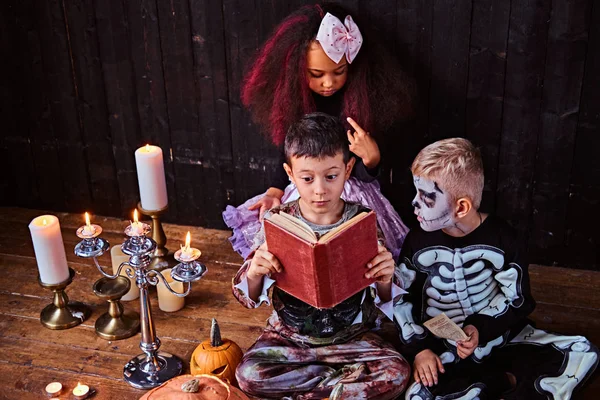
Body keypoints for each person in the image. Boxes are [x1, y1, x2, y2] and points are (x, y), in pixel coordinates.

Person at [394, 138, 599, 399]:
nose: (414, 204)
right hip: (440, 346)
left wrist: (481, 328)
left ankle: (508, 387)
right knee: (419, 394)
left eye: (426, 197)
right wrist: (420, 350)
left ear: (461, 207)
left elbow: (519, 299)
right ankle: (487, 385)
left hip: (498, 337)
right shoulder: (417, 240)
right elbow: (401, 299)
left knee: (583, 351)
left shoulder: (503, 238)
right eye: (416, 193)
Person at [232, 113, 410, 399]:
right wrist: (255, 272)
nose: (319, 189)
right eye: (306, 178)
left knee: (396, 372)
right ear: (290, 174)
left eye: (331, 176)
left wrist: (387, 277)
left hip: (351, 339)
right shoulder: (277, 221)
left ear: (348, 168)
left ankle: (308, 390)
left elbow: (387, 297)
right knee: (249, 375)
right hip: (290, 338)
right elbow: (248, 296)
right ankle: (338, 387)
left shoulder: (363, 221)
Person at [223, 3, 413, 260]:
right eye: (316, 74)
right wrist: (274, 190)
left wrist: (371, 160)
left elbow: (367, 172)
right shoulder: (294, 103)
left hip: (351, 188)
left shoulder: (367, 102)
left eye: (339, 72)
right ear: (297, 70)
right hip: (305, 186)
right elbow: (286, 151)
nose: (328, 83)